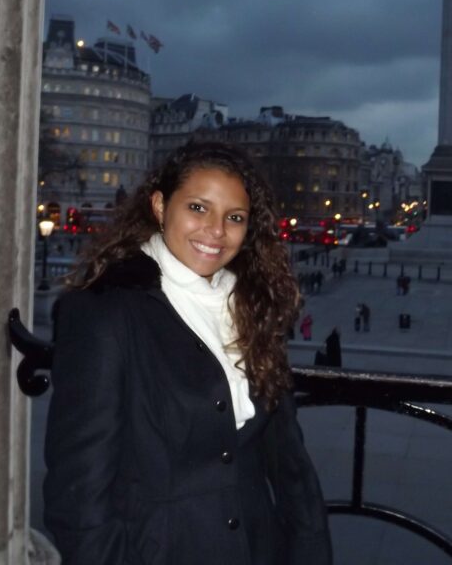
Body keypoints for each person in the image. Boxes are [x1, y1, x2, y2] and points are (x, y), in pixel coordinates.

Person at [43, 142, 332, 564]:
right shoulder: (104, 313)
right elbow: (78, 493)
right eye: (198, 208)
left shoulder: (250, 308)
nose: (216, 231)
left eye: (234, 218)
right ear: (160, 206)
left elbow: (290, 465)